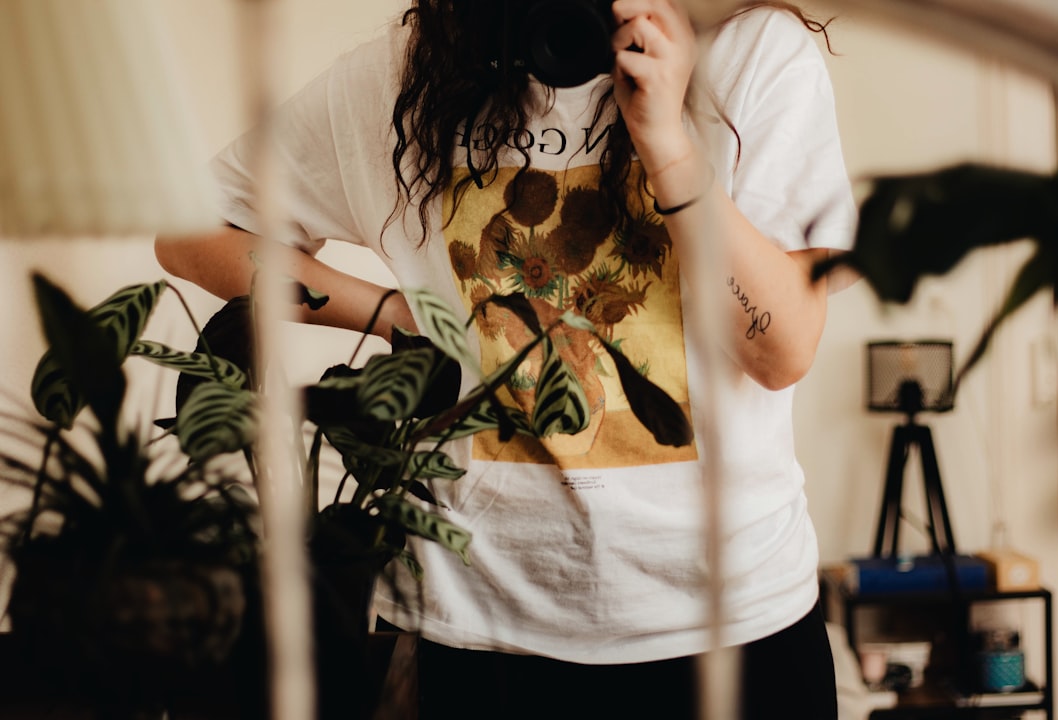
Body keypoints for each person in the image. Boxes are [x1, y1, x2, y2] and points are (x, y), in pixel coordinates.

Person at [156, 0, 857, 717]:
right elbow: (192, 231)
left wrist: (667, 144)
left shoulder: (750, 56)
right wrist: (390, 312)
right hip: (480, 635)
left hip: (736, 627)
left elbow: (780, 349)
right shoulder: (409, 75)